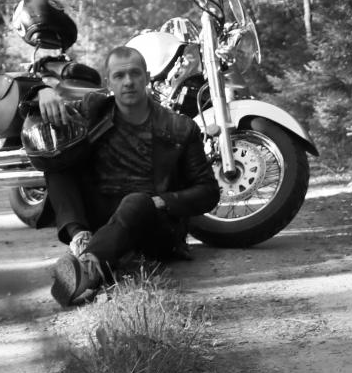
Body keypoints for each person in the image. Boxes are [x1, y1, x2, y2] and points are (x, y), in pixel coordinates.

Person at [34, 45, 220, 307]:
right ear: (108, 82)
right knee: (56, 160)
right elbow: (28, 106)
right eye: (119, 76)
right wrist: (41, 92)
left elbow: (208, 191)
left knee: (137, 201)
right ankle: (82, 242)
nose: (128, 82)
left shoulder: (179, 127)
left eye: (135, 74)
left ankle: (88, 268)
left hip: (152, 224)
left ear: (147, 77)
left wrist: (162, 201)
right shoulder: (93, 108)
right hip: (103, 215)